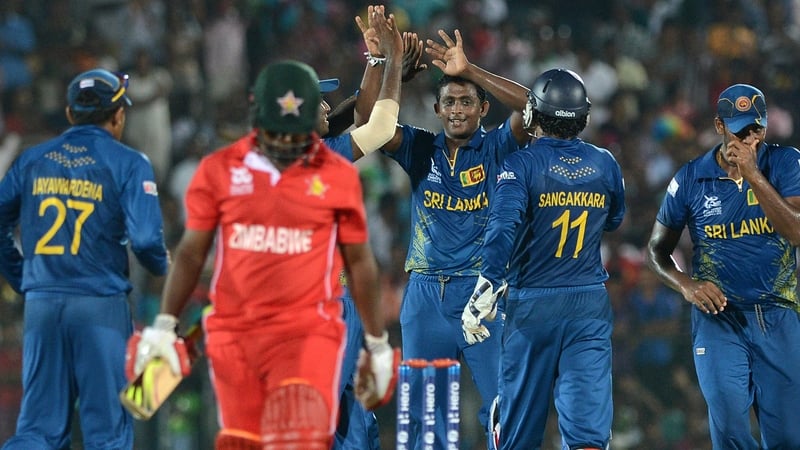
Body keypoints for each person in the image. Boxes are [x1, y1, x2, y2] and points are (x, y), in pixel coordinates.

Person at [129, 55, 400, 449]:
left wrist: (165, 326)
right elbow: (374, 123)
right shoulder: (323, 163)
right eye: (318, 101)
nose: (328, 106)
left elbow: (190, 254)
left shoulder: (230, 163)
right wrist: (385, 58)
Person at [375, 28, 531, 448]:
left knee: (506, 407)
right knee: (426, 419)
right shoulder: (419, 149)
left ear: (483, 108)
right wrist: (385, 65)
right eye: (449, 102)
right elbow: (369, 126)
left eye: (466, 101)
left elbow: (535, 107)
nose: (457, 110)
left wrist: (471, 70)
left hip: (481, 293)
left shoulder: (498, 146)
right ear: (437, 109)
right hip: (424, 295)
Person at [0, 68, 169, 449]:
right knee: (107, 432)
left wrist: (21, 276)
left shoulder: (32, 159)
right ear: (119, 116)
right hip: (99, 306)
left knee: (37, 432)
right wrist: (163, 269)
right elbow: (144, 239)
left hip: (42, 305)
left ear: (70, 113)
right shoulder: (130, 162)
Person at [463, 68, 626, 450]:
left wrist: (486, 284)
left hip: (532, 305)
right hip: (589, 306)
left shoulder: (519, 165)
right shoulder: (605, 164)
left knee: (518, 434)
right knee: (588, 437)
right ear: (584, 117)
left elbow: (501, 231)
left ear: (533, 115)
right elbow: (615, 220)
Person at [646, 83, 800, 449]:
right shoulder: (690, 178)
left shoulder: (785, 163)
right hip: (720, 319)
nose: (748, 138)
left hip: (777, 315)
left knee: (789, 439)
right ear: (719, 126)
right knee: (730, 426)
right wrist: (686, 284)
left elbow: (795, 230)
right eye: (740, 129)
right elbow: (656, 250)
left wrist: (754, 175)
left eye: (755, 129)